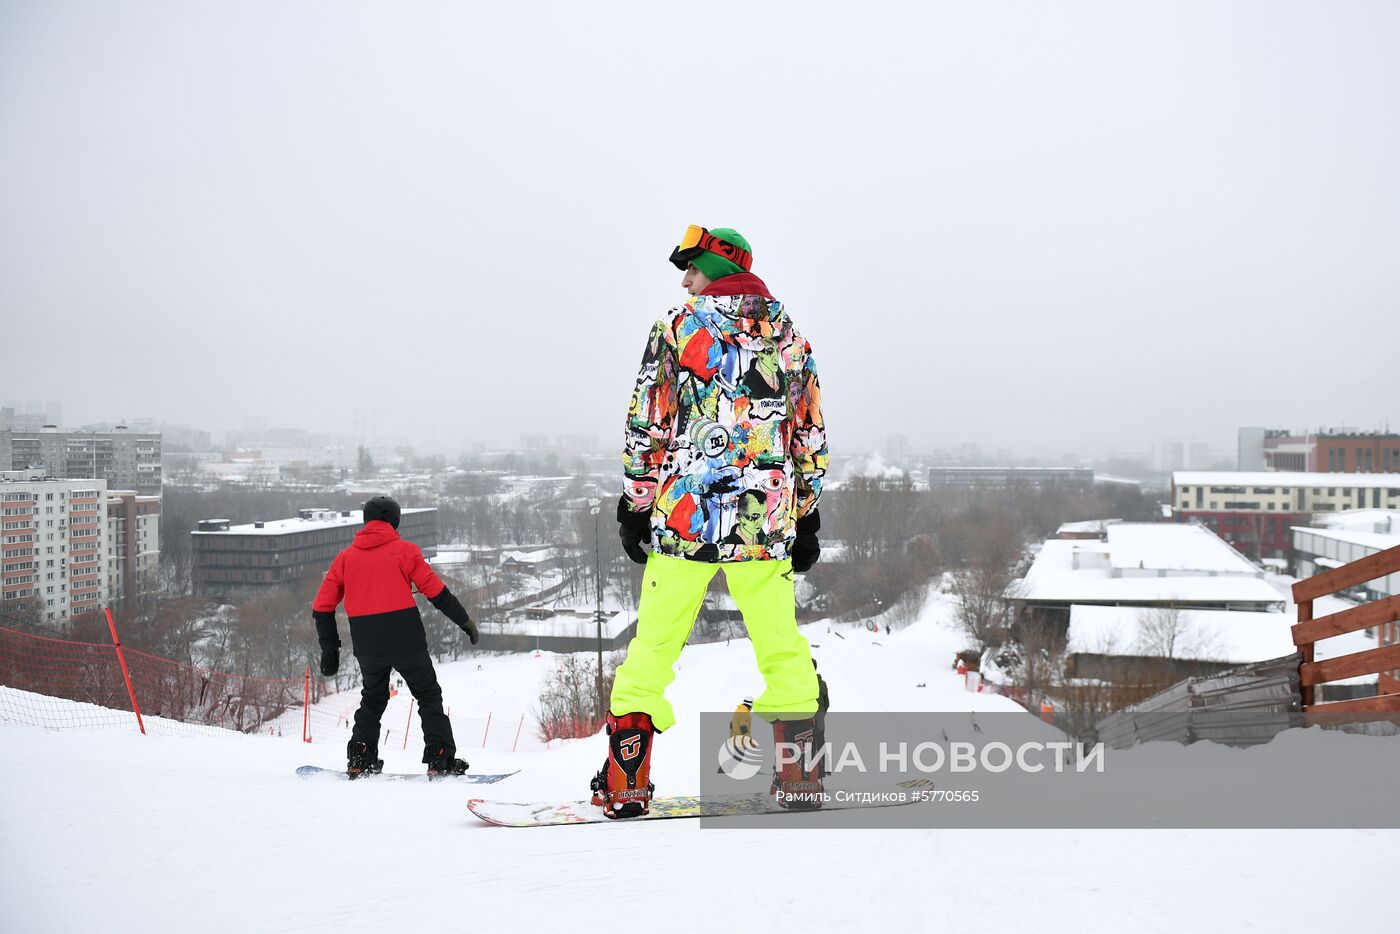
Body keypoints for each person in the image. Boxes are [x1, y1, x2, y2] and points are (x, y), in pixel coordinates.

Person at [592, 225, 829, 818]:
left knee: (653, 646)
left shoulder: (677, 328)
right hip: (764, 523)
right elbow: (809, 432)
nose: (684, 279)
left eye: (691, 267)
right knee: (781, 646)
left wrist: (635, 504)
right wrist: (805, 513)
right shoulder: (790, 336)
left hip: (685, 520)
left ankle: (626, 781)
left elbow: (649, 421)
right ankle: (800, 775)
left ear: (719, 268)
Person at [312, 495, 480, 777]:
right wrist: (464, 621)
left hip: (367, 641)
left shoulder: (344, 559)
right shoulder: (405, 551)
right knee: (427, 695)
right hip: (405, 636)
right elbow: (436, 592)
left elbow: (322, 607)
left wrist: (330, 650)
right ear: (395, 521)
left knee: (373, 698)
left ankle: (361, 757)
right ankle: (439, 759)